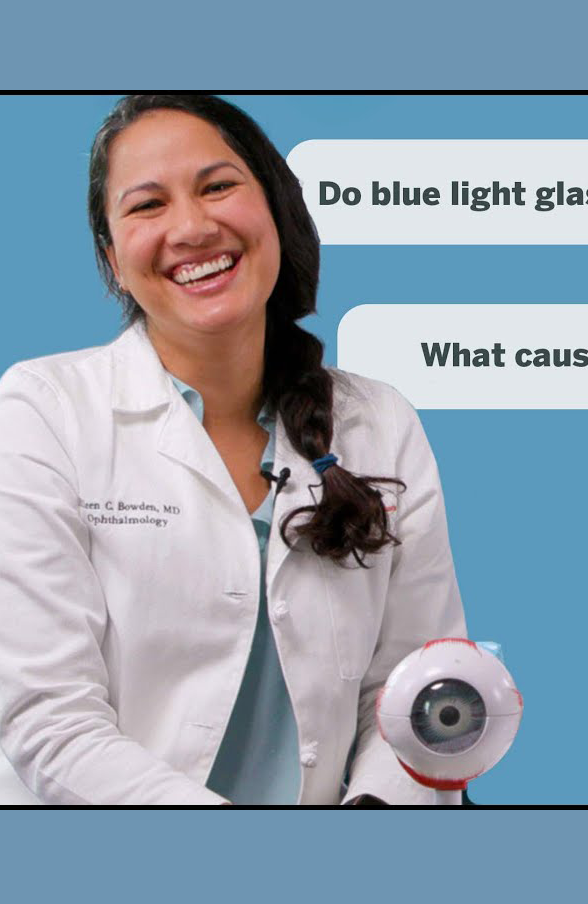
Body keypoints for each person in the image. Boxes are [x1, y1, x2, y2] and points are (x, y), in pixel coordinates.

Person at [0, 95, 465, 805]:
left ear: (277, 210)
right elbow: (47, 717)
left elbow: (415, 691)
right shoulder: (42, 412)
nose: (191, 227)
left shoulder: (379, 422)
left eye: (218, 186)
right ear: (113, 260)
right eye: (147, 205)